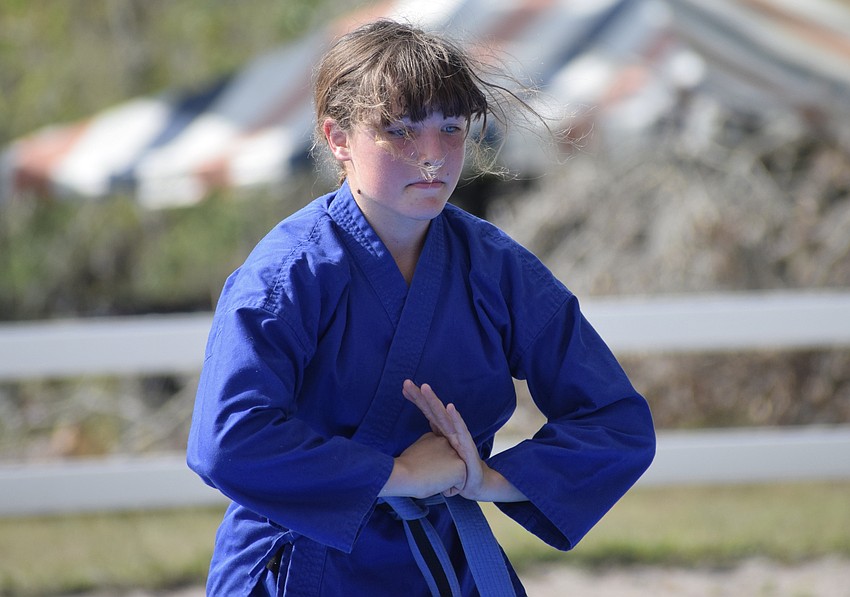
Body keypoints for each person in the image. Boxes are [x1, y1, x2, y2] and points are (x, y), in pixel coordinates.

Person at [187, 19, 655, 597]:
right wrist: (398, 475)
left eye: (451, 127)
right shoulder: (288, 275)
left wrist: (485, 478)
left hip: (443, 565)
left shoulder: (496, 269)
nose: (432, 155)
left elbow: (615, 421)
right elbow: (227, 439)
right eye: (399, 130)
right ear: (337, 138)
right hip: (303, 568)